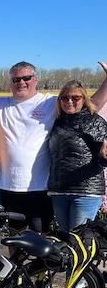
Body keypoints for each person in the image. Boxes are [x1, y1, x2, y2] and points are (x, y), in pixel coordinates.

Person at [0, 60, 107, 235]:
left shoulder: (51, 102)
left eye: (26, 78)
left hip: (41, 186)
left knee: (41, 236)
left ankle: (38, 264)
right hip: (8, 185)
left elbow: (90, 106)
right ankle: (16, 264)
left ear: (35, 79)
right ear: (10, 82)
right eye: (16, 79)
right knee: (14, 235)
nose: (21, 82)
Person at [47, 81, 107, 232]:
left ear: (84, 99)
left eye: (75, 98)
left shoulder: (94, 121)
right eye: (65, 98)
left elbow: (103, 157)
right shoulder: (57, 122)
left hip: (85, 191)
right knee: (65, 241)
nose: (69, 101)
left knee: (79, 242)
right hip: (59, 190)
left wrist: (104, 158)